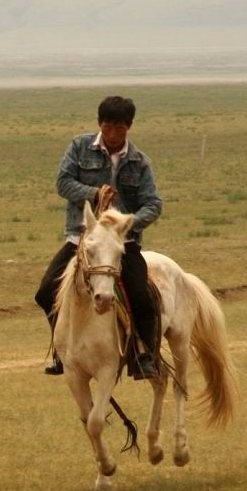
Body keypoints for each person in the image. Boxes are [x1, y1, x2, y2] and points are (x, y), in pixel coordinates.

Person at [35, 95, 162, 378]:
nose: (113, 135)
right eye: (107, 128)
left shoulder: (139, 162)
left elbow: (153, 204)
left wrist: (128, 223)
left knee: (143, 297)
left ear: (129, 127)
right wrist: (93, 193)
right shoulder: (80, 147)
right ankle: (61, 350)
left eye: (119, 129)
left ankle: (144, 355)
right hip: (83, 240)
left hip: (121, 244)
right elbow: (63, 182)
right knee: (45, 292)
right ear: (99, 125)